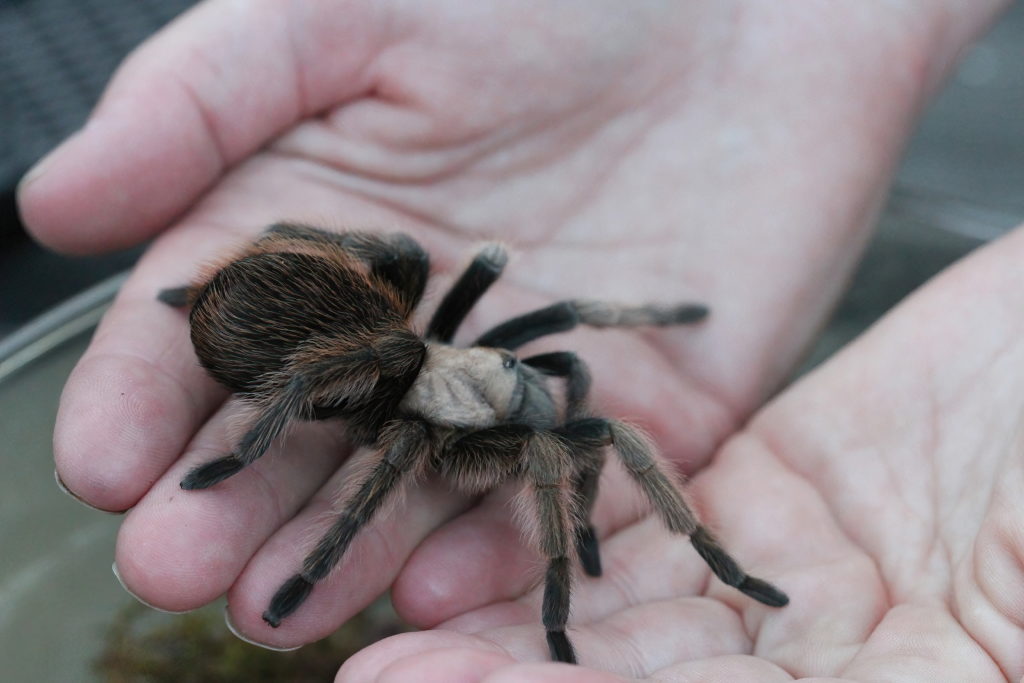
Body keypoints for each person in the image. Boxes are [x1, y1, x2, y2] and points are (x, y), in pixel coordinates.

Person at [18, 1, 1019, 680]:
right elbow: (417, 399)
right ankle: (500, 568)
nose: (543, 378)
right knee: (414, 372)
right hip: (306, 334)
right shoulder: (419, 396)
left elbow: (554, 357)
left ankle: (681, 549)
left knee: (542, 393)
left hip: (346, 329)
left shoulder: (475, 360)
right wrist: (256, 452)